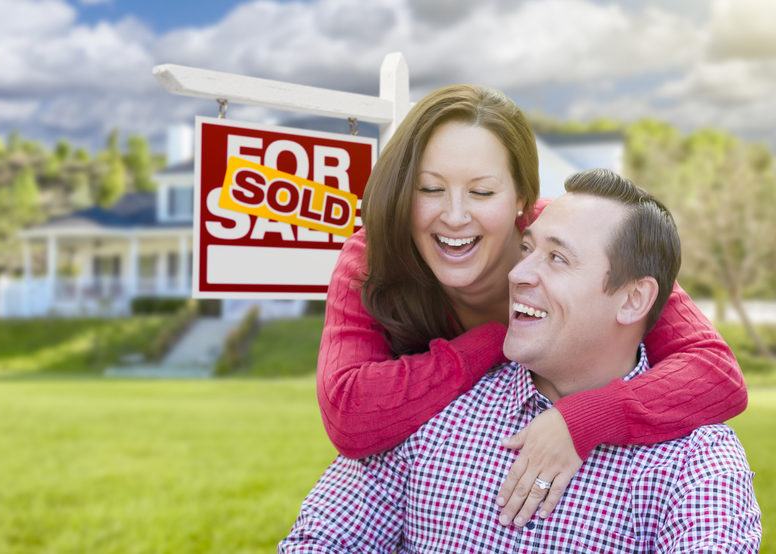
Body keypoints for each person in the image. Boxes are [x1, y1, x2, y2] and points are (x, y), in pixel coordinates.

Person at [316, 84, 747, 525]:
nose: (455, 215)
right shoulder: (373, 258)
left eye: (482, 193)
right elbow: (350, 413)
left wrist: (582, 420)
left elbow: (714, 372)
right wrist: (493, 340)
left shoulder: (569, 239)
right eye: (429, 189)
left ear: (521, 199)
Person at [281, 169, 761, 552]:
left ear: (634, 300)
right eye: (528, 249)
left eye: (557, 259)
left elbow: (717, 370)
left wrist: (585, 420)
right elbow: (317, 542)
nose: (517, 272)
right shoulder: (435, 407)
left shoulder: (697, 464)